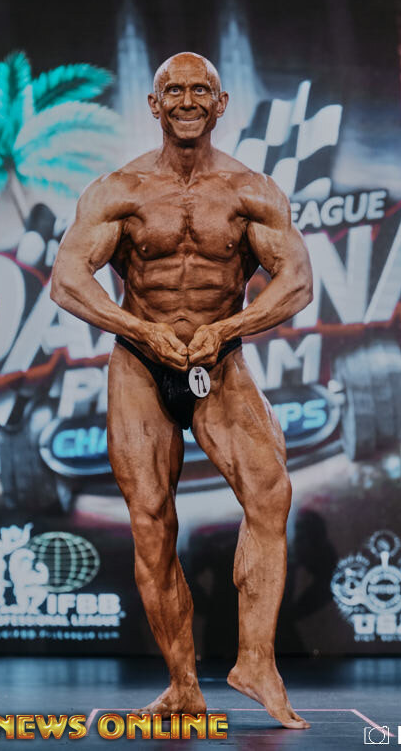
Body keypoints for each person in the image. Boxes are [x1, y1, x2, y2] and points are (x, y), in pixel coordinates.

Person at [51, 52, 313, 729]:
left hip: (219, 360)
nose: (188, 101)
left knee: (270, 494)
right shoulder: (121, 191)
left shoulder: (252, 192)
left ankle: (256, 661)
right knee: (152, 522)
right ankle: (182, 685)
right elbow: (68, 279)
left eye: (201, 90)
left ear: (221, 104)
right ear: (154, 103)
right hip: (141, 364)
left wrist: (229, 327)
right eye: (175, 90)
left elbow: (297, 282)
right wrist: (139, 328)